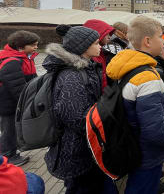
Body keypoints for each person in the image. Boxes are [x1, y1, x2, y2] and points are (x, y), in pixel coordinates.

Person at [106, 16, 164, 194]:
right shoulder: (146, 77)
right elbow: (156, 130)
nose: (163, 41)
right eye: (160, 36)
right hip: (147, 152)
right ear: (147, 41)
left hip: (133, 143)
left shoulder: (128, 64)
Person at [43, 25, 117, 193]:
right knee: (80, 188)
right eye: (97, 43)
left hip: (86, 148)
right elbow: (77, 119)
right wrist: (105, 113)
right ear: (83, 47)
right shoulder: (71, 77)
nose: (101, 46)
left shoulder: (85, 68)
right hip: (75, 151)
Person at [0, 30, 40, 166]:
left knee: (11, 129)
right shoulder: (12, 62)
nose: (36, 47)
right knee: (9, 130)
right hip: (8, 104)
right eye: (33, 45)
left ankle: (9, 152)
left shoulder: (24, 58)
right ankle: (7, 156)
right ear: (21, 47)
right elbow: (17, 87)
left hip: (13, 102)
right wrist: (27, 103)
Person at [83, 19, 115, 90]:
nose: (109, 37)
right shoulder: (92, 57)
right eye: (107, 34)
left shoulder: (101, 53)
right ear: (99, 33)